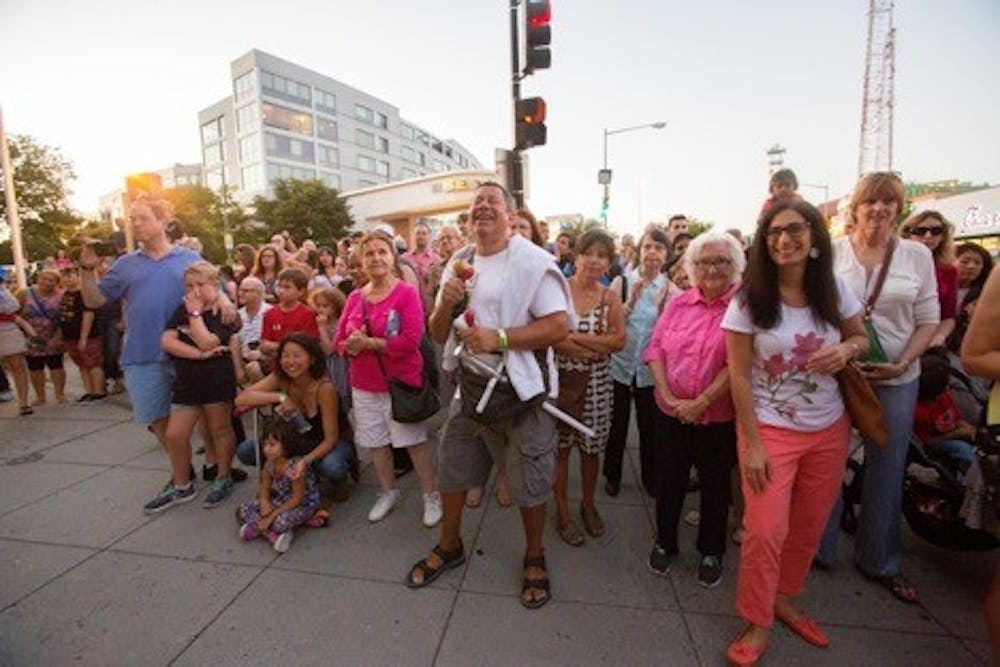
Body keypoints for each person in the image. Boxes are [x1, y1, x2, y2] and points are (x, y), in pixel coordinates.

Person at [406, 182, 572, 610]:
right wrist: (445, 303)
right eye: (476, 201)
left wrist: (499, 338)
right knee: (453, 467)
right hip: (473, 387)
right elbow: (437, 332)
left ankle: (534, 555)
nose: (482, 206)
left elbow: (559, 326)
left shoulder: (533, 262)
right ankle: (450, 546)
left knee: (531, 478)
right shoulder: (459, 262)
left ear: (511, 217)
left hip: (523, 390)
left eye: (491, 201)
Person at [722, 200, 868, 663]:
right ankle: (757, 620)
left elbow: (862, 338)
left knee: (808, 527)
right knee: (765, 531)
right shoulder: (748, 300)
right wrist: (753, 444)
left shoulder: (836, 289)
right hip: (769, 429)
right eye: (774, 232)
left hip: (829, 428)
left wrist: (846, 350)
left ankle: (783, 598)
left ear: (814, 236)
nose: (785, 240)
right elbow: (738, 375)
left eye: (795, 229)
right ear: (764, 242)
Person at [816, 172, 939, 605]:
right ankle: (817, 547)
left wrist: (903, 363)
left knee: (888, 466)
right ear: (855, 208)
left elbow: (928, 319)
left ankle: (880, 559)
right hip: (839, 374)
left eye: (888, 202)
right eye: (871, 201)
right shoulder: (831, 252)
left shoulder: (916, 256)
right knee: (826, 461)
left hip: (897, 375)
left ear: (899, 209)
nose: (879, 209)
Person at [79, 197, 211, 477]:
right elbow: (94, 300)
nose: (136, 224)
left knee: (203, 416)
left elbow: (213, 292)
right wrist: (87, 270)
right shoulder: (125, 265)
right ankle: (183, 473)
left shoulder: (190, 259)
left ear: (164, 221)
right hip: (142, 354)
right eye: (132, 219)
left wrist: (223, 302)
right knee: (158, 419)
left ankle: (213, 466)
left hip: (187, 352)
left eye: (143, 218)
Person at [643, 231, 743, 587]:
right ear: (692, 266)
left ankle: (711, 550)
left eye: (721, 261)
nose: (712, 269)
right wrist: (666, 395)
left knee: (715, 486)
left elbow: (739, 363)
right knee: (669, 481)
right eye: (704, 262)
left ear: (736, 266)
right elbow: (655, 348)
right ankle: (664, 542)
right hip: (670, 412)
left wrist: (702, 402)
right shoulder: (679, 302)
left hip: (716, 417)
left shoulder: (743, 308)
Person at [334, 231, 439, 526]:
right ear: (361, 260)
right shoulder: (355, 297)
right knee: (377, 444)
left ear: (393, 257)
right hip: (364, 384)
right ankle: (388, 491)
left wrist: (369, 343)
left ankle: (431, 495)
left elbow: (411, 341)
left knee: (414, 443)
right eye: (369, 253)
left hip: (400, 383)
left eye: (382, 251)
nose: (376, 258)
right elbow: (339, 341)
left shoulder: (406, 293)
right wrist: (350, 346)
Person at [144, 261, 242, 512]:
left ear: (214, 285)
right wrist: (198, 355)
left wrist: (195, 315)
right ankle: (182, 484)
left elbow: (208, 341)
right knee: (175, 435)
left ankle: (223, 476)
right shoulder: (182, 310)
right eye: (189, 286)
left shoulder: (224, 312)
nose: (194, 291)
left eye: (200, 284)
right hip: (187, 380)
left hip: (216, 378)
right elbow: (168, 341)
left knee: (219, 428)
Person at [552, 230, 625, 546]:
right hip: (560, 380)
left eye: (602, 255)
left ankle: (588, 504)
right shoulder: (558, 290)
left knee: (591, 448)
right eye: (588, 253)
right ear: (577, 256)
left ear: (609, 262)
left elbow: (618, 341)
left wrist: (574, 339)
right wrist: (593, 346)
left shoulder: (610, 297)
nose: (594, 260)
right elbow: (550, 336)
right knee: (560, 449)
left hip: (596, 384)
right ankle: (562, 512)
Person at [236, 333, 356, 494]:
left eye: (297, 356)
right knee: (246, 450)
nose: (291, 361)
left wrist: (305, 461)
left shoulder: (324, 388)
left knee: (332, 466)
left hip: (329, 442)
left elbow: (331, 439)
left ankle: (336, 480)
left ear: (312, 359)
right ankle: (296, 474)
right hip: (297, 440)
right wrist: (280, 397)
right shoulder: (281, 378)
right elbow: (241, 399)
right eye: (285, 356)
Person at [604, 229, 671, 496]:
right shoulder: (621, 282)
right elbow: (610, 323)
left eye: (659, 247)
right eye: (648, 246)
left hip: (649, 370)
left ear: (666, 255)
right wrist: (631, 301)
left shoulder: (671, 290)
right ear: (639, 251)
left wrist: (663, 312)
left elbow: (671, 333)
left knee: (649, 427)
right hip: (620, 364)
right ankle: (612, 475)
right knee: (616, 424)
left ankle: (650, 479)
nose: (652, 252)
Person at [236, 419, 321, 553]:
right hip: (281, 500)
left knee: (280, 522)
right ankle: (270, 533)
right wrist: (264, 503)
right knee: (243, 509)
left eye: (272, 445)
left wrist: (271, 516)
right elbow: (264, 488)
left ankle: (262, 528)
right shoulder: (269, 464)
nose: (267, 449)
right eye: (265, 444)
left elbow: (297, 499)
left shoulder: (295, 466)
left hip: (303, 504)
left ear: (287, 444)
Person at [913, 349, 977, 478]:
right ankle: (964, 482)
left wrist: (966, 427)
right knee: (965, 452)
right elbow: (927, 442)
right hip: (939, 441)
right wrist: (957, 434)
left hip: (954, 431)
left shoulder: (944, 397)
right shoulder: (920, 413)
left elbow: (955, 418)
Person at [901, 210, 957, 348]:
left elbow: (948, 315)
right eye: (920, 231)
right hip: (894, 335)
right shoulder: (894, 263)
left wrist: (938, 337)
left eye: (936, 231)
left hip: (928, 341)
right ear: (907, 235)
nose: (928, 236)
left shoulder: (948, 270)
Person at [58, 267, 106, 401]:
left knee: (93, 363)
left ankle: (98, 391)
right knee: (82, 364)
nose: (67, 280)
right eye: (64, 277)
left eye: (70, 276)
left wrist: (83, 338)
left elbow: (88, 315)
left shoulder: (84, 294)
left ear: (78, 277)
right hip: (70, 336)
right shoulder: (65, 295)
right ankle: (88, 391)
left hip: (88, 336)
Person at [22, 269, 66, 405]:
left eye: (51, 280)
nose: (46, 282)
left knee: (56, 364)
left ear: (57, 283)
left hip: (53, 335)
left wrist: (59, 336)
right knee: (35, 366)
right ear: (38, 279)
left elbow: (64, 318)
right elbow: (16, 311)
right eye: (44, 279)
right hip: (31, 337)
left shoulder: (61, 296)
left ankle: (60, 394)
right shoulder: (25, 293)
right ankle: (40, 397)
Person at [259, 267, 319, 366]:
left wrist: (276, 346)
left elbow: (307, 345)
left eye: (287, 287)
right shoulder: (269, 313)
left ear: (301, 291)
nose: (281, 291)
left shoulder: (308, 314)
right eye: (279, 286)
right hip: (275, 362)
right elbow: (264, 344)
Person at [0, 267, 36, 415]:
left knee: (17, 366)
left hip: (7, 328)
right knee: (17, 367)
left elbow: (13, 308)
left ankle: (24, 403)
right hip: (7, 327)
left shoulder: (3, 291)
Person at [235, 276, 272, 384]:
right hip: (242, 359)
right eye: (240, 290)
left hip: (266, 360)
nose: (240, 294)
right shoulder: (237, 315)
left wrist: (261, 354)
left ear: (259, 293)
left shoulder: (271, 313)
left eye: (246, 291)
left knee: (254, 368)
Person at [954, 241, 993, 308]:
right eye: (965, 262)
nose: (971, 266)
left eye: (977, 263)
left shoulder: (986, 292)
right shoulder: (938, 288)